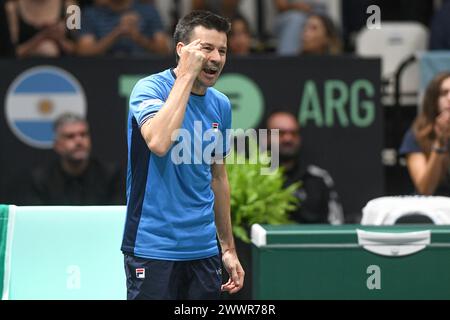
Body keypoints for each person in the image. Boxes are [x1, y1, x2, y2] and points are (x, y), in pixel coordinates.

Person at [121, 10, 244, 300]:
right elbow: (159, 142)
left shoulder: (221, 105)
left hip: (203, 251)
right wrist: (187, 74)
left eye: (222, 51)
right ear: (182, 50)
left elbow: (218, 177)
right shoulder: (149, 89)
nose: (215, 58)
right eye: (206, 48)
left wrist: (227, 248)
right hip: (153, 247)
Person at [25, 113, 125, 205]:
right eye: (70, 136)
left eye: (83, 134)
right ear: (57, 145)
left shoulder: (110, 175)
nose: (79, 141)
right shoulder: (41, 180)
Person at [266, 111, 344, 224]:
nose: (288, 139)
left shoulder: (318, 178)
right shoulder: (255, 179)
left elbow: (337, 224)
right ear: (267, 137)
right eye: (280, 133)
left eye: (293, 133)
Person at [399, 72, 450, 195]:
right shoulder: (417, 134)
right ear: (433, 100)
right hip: (430, 209)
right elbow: (425, 190)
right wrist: (440, 143)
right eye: (444, 93)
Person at [76, 0, 170, 57]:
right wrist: (117, 32)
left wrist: (137, 37)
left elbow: (164, 50)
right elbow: (84, 52)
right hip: (103, 70)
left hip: (142, 70)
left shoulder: (148, 11)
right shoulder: (92, 14)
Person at [4, 0, 77, 58]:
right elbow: (11, 53)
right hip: (22, 67)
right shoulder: (11, 8)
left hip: (65, 66)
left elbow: (79, 49)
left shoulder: (72, 7)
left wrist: (59, 39)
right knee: (46, 49)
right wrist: (41, 37)